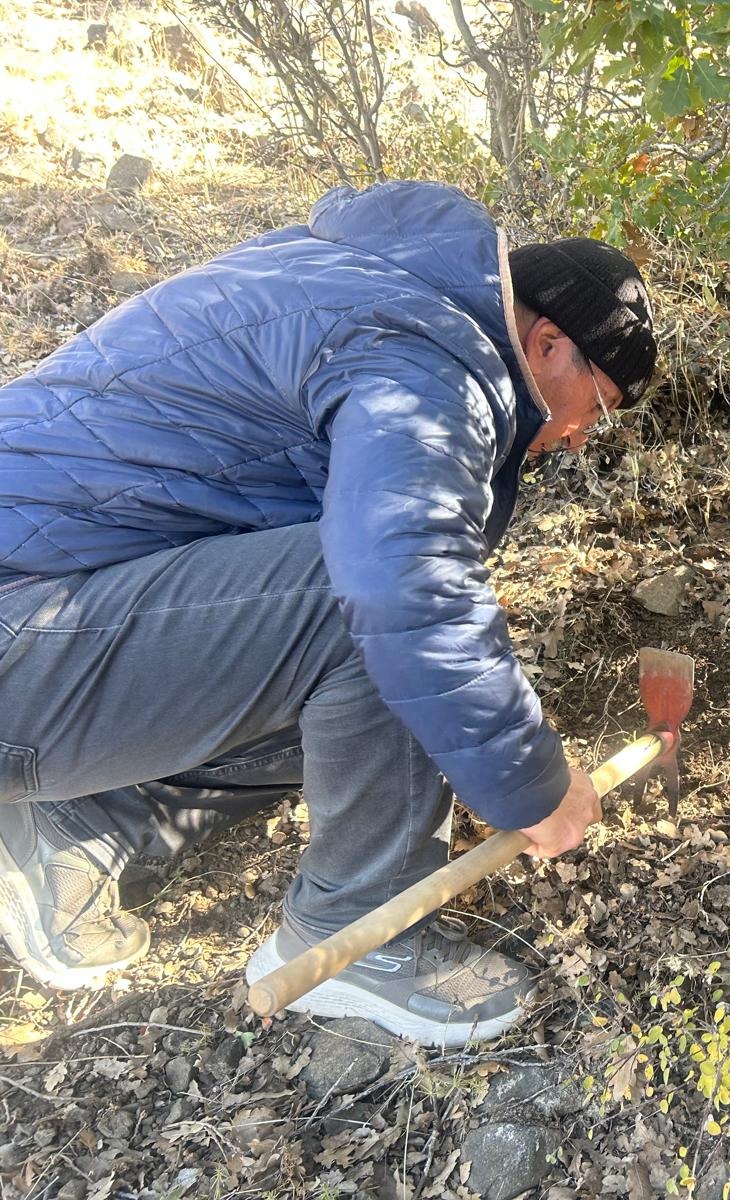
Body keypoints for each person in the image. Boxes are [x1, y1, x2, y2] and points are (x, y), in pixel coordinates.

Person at [0, 180, 657, 1046]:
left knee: (369, 651)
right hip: (26, 629)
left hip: (55, 600)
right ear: (546, 342)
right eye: (597, 407)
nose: (578, 437)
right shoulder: (431, 357)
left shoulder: (353, 279)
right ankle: (359, 943)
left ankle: (82, 824)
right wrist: (531, 785)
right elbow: (396, 589)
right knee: (375, 613)